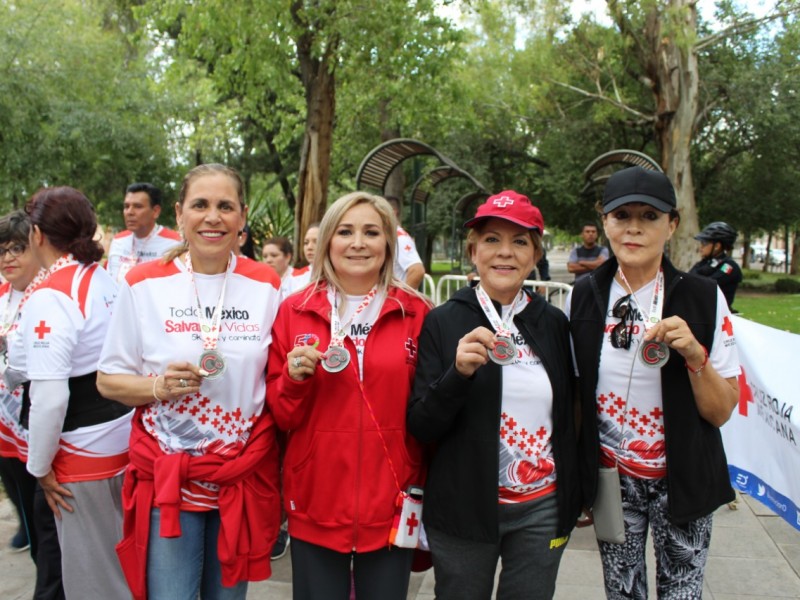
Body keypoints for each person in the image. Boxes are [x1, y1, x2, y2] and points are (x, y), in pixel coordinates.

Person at [96, 163, 282, 600]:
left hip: (240, 474)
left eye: (225, 206)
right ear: (180, 213)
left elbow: (276, 379)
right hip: (170, 479)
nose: (212, 217)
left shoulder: (265, 283)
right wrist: (157, 386)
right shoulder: (143, 283)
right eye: (200, 205)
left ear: (242, 216)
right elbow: (107, 380)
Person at [567, 166, 740, 599]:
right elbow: (575, 396)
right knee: (622, 593)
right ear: (604, 222)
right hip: (613, 481)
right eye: (622, 215)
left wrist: (695, 356)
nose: (634, 228)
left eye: (649, 216)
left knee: (681, 593)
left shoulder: (703, 296)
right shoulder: (584, 294)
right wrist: (578, 477)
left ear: (672, 225)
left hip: (682, 478)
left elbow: (720, 411)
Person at [408, 190, 582, 600]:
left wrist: (577, 493)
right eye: (491, 239)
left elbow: (572, 411)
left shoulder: (553, 322)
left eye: (519, 241)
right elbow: (421, 424)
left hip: (542, 508)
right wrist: (458, 374)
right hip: (464, 507)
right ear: (473, 252)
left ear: (535, 253)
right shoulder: (443, 320)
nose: (505, 253)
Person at [266, 191, 431, 600]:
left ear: (389, 244)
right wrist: (294, 379)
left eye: (371, 232)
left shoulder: (417, 312)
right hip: (315, 500)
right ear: (327, 243)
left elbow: (429, 410)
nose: (358, 242)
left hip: (392, 501)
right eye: (345, 231)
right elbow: (281, 415)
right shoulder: (294, 310)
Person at [9, 187, 132, 599]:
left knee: (94, 578)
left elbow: (50, 398)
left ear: (37, 235)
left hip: (82, 454)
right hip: (123, 438)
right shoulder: (104, 280)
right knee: (119, 564)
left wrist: (40, 466)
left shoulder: (53, 294)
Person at [105, 182, 182, 282]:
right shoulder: (118, 240)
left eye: (138, 206)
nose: (129, 212)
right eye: (126, 206)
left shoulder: (175, 243)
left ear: (155, 211)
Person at [689, 221, 742, 310]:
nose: (701, 247)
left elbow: (708, 286)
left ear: (717, 246)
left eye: (704, 243)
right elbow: (689, 278)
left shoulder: (729, 266)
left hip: (718, 314)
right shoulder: (705, 262)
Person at [385, 196, 425, 289]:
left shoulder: (400, 238)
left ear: (392, 212)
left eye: (380, 211)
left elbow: (417, 271)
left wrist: (402, 299)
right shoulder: (393, 236)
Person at [282, 223, 319, 294]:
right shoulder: (295, 278)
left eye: (316, 242)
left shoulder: (342, 277)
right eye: (306, 243)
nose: (309, 247)